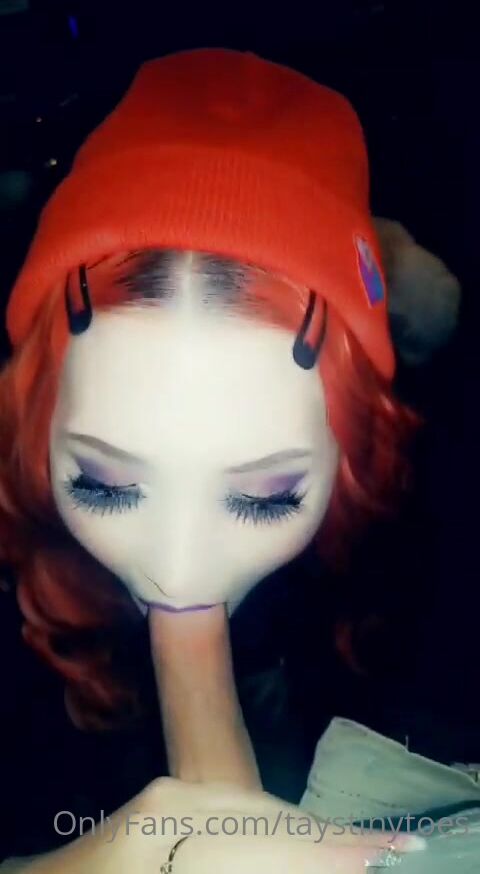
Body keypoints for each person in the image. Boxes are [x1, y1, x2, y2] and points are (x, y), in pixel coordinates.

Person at [0, 47, 461, 871]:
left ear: (352, 448)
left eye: (265, 497)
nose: (178, 572)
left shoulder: (419, 601)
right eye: (104, 484)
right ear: (37, 419)